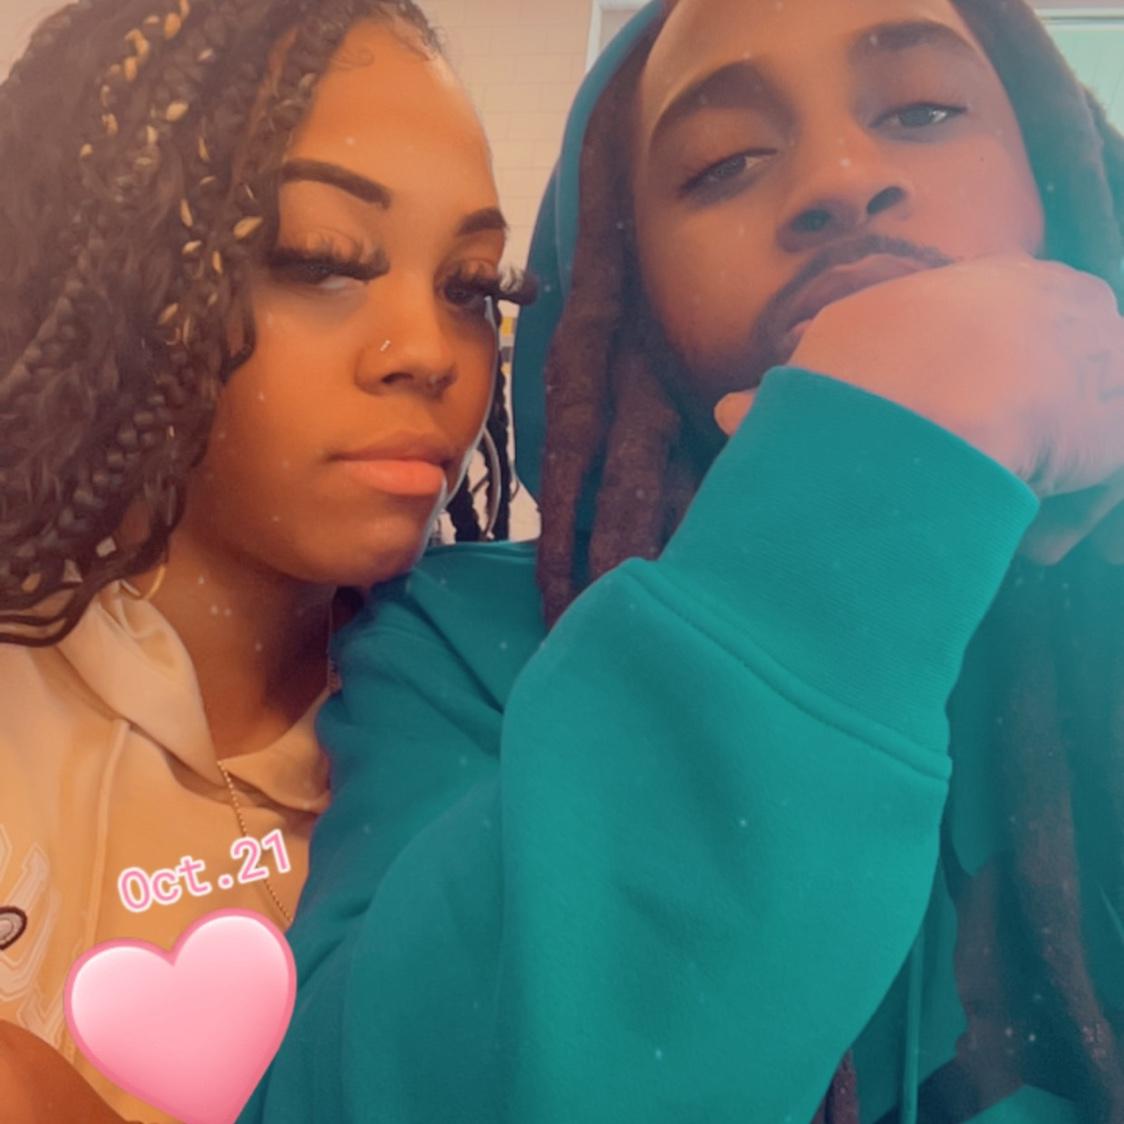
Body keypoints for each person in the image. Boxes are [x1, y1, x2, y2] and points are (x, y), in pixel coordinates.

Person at [236, 0, 1124, 1120]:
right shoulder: (460, 646)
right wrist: (862, 479)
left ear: (1060, 178)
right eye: (725, 162)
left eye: (921, 110)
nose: (840, 180)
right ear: (622, 290)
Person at [0, 0, 533, 1118]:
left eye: (470, 286)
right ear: (120, 282)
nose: (428, 352)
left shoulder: (507, 730)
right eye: (319, 260)